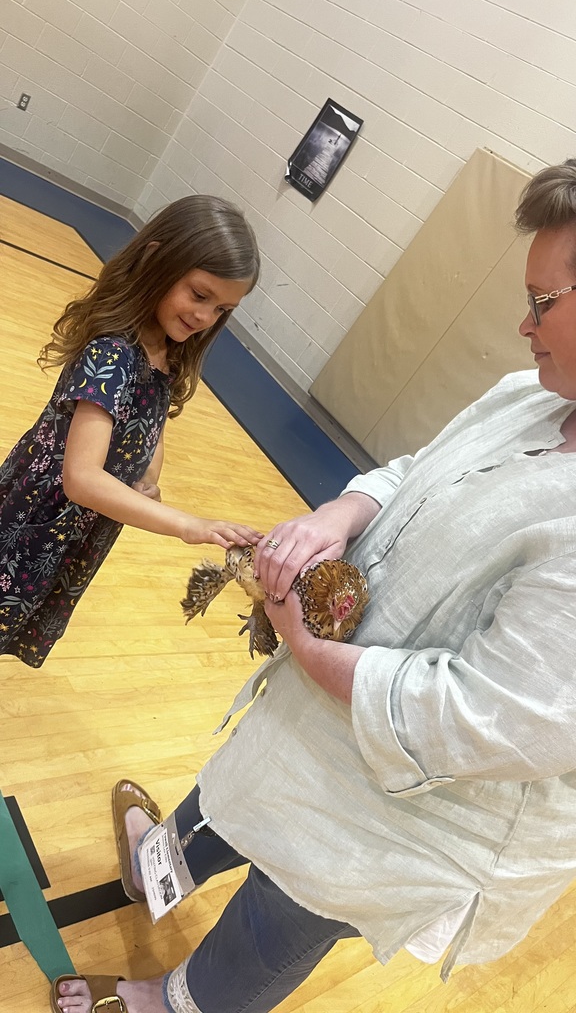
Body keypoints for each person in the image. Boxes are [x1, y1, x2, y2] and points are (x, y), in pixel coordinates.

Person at [51, 157, 576, 1013]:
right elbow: (413, 471)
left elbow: (479, 719)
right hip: (322, 706)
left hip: (412, 810)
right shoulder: (530, 396)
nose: (524, 325)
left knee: (284, 910)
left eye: (544, 302)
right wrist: (334, 516)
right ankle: (157, 866)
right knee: (247, 783)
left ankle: (169, 1004)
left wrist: (301, 637)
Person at [0, 195, 262, 668]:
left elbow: (152, 425)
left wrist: (147, 480)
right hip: (36, 522)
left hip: (76, 528)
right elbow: (81, 478)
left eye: (223, 308)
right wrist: (189, 525)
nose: (205, 317)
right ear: (154, 260)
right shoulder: (113, 354)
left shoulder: (166, 349)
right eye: (199, 295)